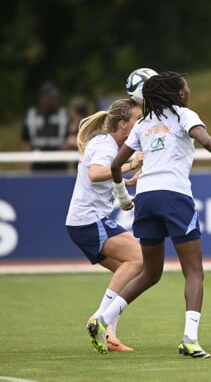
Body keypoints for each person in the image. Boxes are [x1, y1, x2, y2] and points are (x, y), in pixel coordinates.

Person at [86, 71, 211, 359]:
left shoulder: (143, 123)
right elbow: (207, 141)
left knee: (151, 273)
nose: (189, 90)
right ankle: (190, 339)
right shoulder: (183, 115)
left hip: (146, 199)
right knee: (194, 272)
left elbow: (117, 165)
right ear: (180, 94)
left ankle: (102, 318)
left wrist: (122, 197)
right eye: (187, 87)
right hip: (175, 197)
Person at [65, 98, 144, 352]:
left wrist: (127, 185)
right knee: (139, 259)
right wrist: (130, 164)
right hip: (88, 220)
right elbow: (96, 173)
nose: (141, 124)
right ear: (124, 125)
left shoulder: (107, 144)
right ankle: (100, 318)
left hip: (84, 222)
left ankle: (109, 333)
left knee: (128, 273)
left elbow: (108, 176)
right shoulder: (106, 145)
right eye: (137, 120)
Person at [21, 81, 72, 171]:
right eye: (51, 97)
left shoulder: (63, 114)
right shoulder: (31, 115)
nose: (54, 99)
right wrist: (33, 156)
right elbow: (25, 141)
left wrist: (57, 155)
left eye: (55, 96)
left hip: (59, 165)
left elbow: (70, 138)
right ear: (42, 97)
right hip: (37, 166)